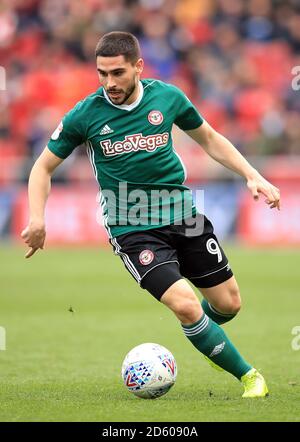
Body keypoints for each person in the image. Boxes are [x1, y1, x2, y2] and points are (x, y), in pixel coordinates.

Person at [21, 31, 280, 398]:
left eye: (118, 73)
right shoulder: (85, 114)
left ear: (138, 67)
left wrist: (252, 175)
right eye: (102, 73)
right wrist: (37, 217)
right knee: (186, 304)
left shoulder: (168, 97)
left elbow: (209, 138)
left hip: (183, 216)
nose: (109, 82)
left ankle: (208, 337)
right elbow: (41, 168)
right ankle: (249, 376)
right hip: (133, 228)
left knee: (228, 304)